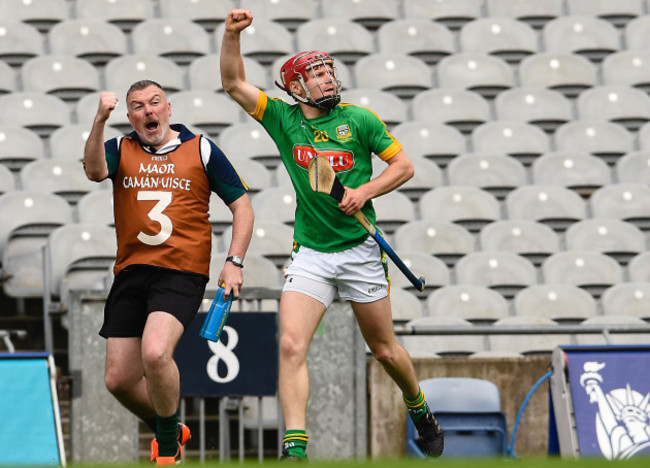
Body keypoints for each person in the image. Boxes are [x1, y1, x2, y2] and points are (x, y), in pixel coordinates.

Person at [220, 9, 444, 461]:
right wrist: (230, 36)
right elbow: (233, 84)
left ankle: (418, 406)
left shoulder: (359, 120)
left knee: (383, 351)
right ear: (295, 87)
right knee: (290, 343)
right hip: (312, 253)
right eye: (316, 75)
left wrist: (364, 191)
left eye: (328, 73)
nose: (327, 81)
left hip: (361, 250)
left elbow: (404, 166)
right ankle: (295, 447)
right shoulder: (283, 119)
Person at [83, 80, 254, 465]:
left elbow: (243, 207)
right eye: (138, 106)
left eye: (155, 102)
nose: (148, 111)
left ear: (169, 109)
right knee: (118, 381)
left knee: (156, 352)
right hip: (131, 271)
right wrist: (99, 121)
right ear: (130, 117)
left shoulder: (201, 148)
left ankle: (167, 449)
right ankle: (172, 427)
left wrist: (234, 261)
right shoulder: (119, 148)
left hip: (181, 270)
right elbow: (94, 172)